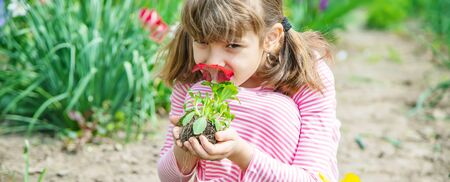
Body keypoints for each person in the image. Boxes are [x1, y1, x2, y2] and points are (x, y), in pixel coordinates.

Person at [157, 0, 340, 181]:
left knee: (281, 109)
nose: (214, 62)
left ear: (271, 38)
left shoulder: (306, 73)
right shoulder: (194, 76)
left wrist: (241, 154)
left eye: (232, 45)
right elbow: (169, 178)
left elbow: (316, 178)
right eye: (202, 41)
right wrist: (184, 148)